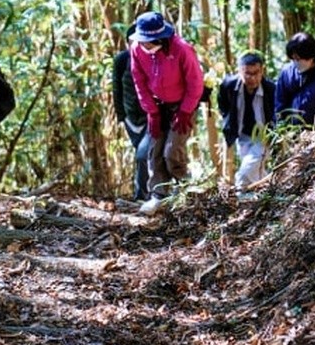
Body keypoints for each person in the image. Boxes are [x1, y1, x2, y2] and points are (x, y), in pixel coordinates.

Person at [129, 11, 204, 215]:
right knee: (154, 152)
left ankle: (184, 191)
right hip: (157, 107)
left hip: (182, 106)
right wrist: (152, 112)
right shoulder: (136, 49)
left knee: (172, 152)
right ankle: (159, 195)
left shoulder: (182, 49)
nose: (144, 45)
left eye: (148, 41)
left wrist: (186, 110)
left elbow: (196, 82)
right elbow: (139, 81)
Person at [217, 51, 276, 191]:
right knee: (256, 171)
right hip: (242, 135)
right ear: (239, 71)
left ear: (262, 71)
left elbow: (277, 111)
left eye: (256, 73)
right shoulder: (228, 85)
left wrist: (274, 134)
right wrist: (228, 123)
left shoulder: (270, 89)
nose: (252, 78)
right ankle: (266, 194)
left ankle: (241, 193)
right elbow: (223, 105)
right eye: (248, 73)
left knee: (245, 172)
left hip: (264, 136)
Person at [112, 24, 150, 201]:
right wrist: (122, 117)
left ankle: (143, 195)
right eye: (131, 42)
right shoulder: (121, 60)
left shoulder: (152, 60)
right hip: (130, 120)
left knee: (143, 155)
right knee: (141, 156)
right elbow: (117, 89)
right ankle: (144, 194)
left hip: (150, 117)